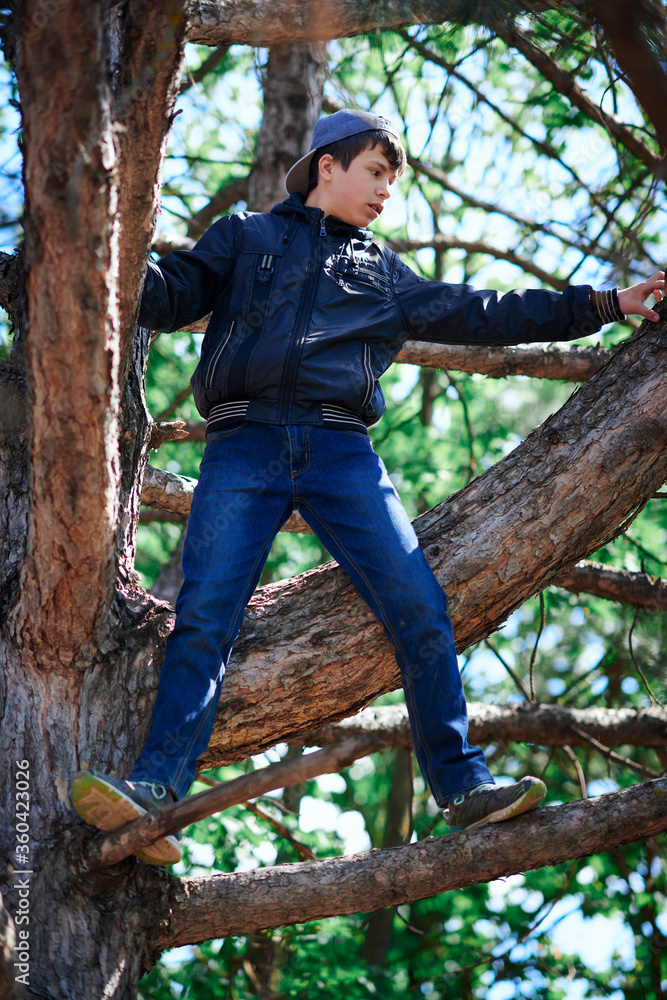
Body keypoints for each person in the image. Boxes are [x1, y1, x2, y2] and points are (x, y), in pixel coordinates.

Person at [71, 109, 664, 865]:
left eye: (392, 179)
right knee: (204, 617)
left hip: (340, 452)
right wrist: (84, 252)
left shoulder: (381, 274)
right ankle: (157, 788)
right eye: (376, 172)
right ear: (328, 165)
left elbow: (483, 314)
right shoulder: (244, 237)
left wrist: (605, 303)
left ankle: (460, 785)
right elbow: (166, 293)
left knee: (419, 608)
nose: (386, 191)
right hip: (240, 444)